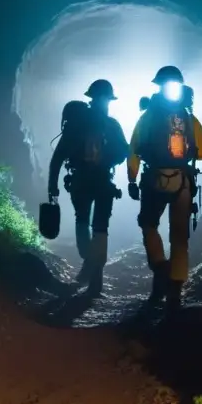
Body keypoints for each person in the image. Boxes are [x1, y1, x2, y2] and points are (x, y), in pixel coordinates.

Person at [127, 66, 202, 312]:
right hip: (183, 182)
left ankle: (159, 268)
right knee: (179, 237)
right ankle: (175, 292)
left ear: (159, 86)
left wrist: (132, 179)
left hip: (154, 178)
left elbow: (133, 150)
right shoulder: (188, 117)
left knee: (149, 224)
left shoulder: (147, 116)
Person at [48, 79, 129, 297]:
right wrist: (108, 161)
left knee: (82, 221)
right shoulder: (112, 125)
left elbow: (58, 157)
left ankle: (89, 264)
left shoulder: (75, 124)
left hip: (81, 182)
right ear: (109, 100)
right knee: (101, 228)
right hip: (103, 182)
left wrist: (52, 187)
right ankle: (96, 277)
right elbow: (125, 151)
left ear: (90, 98)